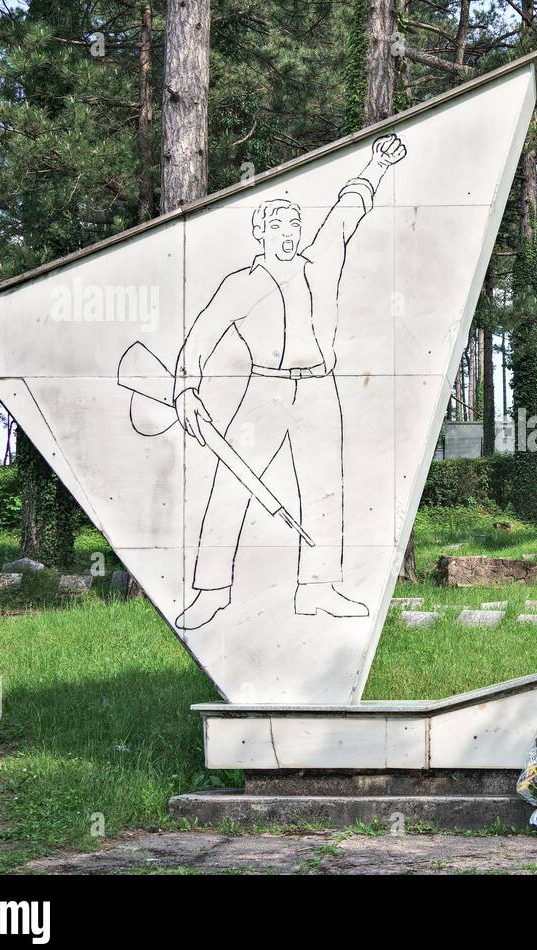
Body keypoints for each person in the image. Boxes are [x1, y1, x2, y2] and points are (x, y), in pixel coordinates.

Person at [172, 133, 408, 631]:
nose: (289, 230)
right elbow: (200, 336)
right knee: (232, 485)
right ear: (260, 233)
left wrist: (376, 165)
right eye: (277, 223)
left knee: (325, 488)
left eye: (295, 223)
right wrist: (185, 389)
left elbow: (348, 209)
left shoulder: (320, 262)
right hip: (264, 390)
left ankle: (318, 590)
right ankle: (211, 591)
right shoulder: (243, 283)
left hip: (320, 389)